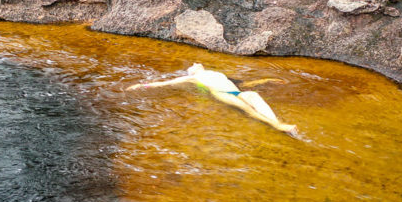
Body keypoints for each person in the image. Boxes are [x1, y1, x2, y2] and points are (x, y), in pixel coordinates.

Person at [127, 63, 299, 135]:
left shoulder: (215, 73)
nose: (195, 63)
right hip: (223, 94)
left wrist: (266, 80)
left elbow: (243, 84)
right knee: (248, 110)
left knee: (254, 96)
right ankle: (279, 126)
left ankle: (277, 122)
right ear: (192, 71)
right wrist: (142, 86)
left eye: (196, 63)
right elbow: (165, 83)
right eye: (192, 66)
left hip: (236, 91)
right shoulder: (193, 78)